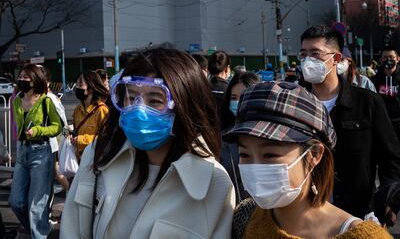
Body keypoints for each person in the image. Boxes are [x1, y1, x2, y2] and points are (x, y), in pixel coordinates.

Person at [60, 48, 235, 238]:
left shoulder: (213, 183)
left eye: (155, 100)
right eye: (132, 97)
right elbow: (71, 229)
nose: (138, 110)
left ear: (185, 106)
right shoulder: (99, 155)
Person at [224, 81, 391, 239]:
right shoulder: (246, 217)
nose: (255, 167)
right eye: (244, 155)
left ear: (314, 155)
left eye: (270, 155)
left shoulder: (363, 236)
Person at [299, 25, 400, 225]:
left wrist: (388, 199)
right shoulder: (294, 103)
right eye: (303, 54)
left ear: (336, 59)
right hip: (305, 214)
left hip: (358, 214)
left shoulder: (367, 102)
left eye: (315, 53)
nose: (308, 60)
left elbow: (391, 157)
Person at [8, 64, 62, 238]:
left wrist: (38, 130)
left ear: (35, 80)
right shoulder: (17, 100)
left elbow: (57, 127)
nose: (22, 79)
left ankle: (38, 234)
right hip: (23, 152)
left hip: (41, 152)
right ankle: (37, 230)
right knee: (16, 202)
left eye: (27, 77)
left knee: (36, 206)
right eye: (21, 76)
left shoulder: (46, 100)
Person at [220, 72, 260, 202]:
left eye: (243, 96)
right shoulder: (222, 136)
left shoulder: (269, 136)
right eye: (233, 97)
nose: (237, 102)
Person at [39, 65, 70, 192]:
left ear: (47, 82)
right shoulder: (37, 97)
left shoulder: (51, 98)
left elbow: (63, 121)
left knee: (56, 172)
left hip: (53, 144)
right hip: (45, 144)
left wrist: (65, 138)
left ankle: (70, 192)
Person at [72, 71, 109, 158]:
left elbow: (106, 138)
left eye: (80, 85)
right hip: (79, 158)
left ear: (91, 88)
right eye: (76, 85)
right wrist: (66, 134)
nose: (77, 88)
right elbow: (73, 130)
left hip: (96, 158)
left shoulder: (102, 110)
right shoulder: (77, 110)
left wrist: (81, 140)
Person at [372, 46, 400, 140]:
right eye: (385, 57)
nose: (388, 60)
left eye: (391, 57)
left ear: (398, 59)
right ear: (381, 60)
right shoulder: (374, 80)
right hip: (381, 123)